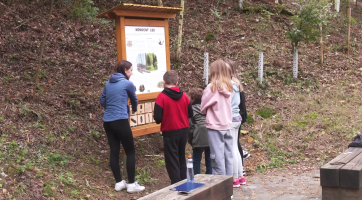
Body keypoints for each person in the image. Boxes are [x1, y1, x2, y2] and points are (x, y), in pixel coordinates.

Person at [100, 60, 145, 193]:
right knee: (130, 151)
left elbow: (102, 100)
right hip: (120, 120)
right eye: (131, 70)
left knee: (114, 150)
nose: (132, 73)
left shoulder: (108, 83)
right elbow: (134, 99)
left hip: (108, 121)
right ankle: (131, 184)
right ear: (125, 70)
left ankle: (119, 182)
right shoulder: (127, 83)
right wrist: (134, 109)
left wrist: (111, 108)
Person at [153, 70, 193, 184]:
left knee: (171, 159)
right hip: (184, 131)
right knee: (181, 156)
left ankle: (176, 183)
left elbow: (158, 118)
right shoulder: (185, 96)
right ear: (177, 82)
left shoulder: (161, 97)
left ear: (164, 82)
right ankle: (184, 181)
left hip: (170, 132)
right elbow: (190, 114)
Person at [200, 59, 233, 176]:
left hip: (215, 126)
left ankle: (220, 188)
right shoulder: (229, 87)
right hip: (227, 125)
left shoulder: (211, 88)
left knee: (217, 158)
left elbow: (202, 107)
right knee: (228, 157)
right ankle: (229, 187)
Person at [225, 60, 246, 187]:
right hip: (237, 118)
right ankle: (240, 176)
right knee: (235, 148)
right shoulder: (236, 84)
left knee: (232, 148)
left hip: (231, 119)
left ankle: (234, 178)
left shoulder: (228, 85)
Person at [188, 88, 212, 175]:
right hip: (210, 133)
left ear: (193, 99)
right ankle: (210, 177)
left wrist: (191, 140)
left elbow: (190, 126)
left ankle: (196, 178)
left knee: (196, 159)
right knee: (209, 158)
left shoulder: (191, 109)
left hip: (199, 135)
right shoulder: (207, 107)